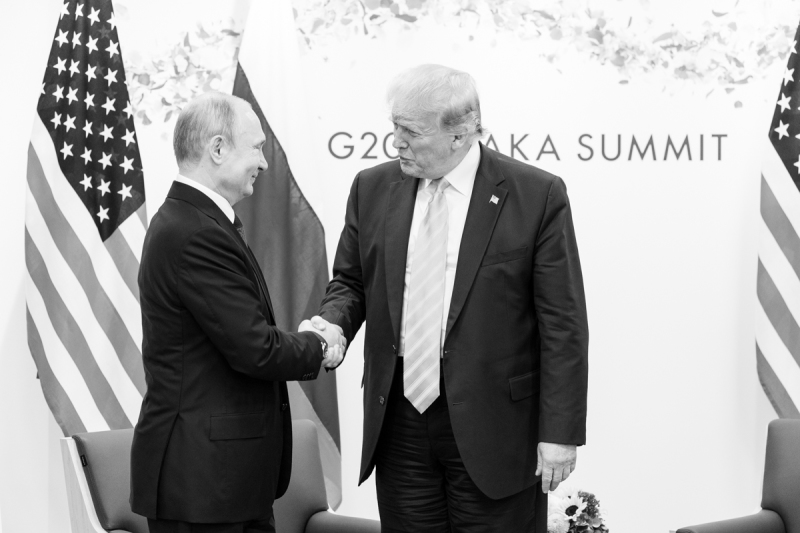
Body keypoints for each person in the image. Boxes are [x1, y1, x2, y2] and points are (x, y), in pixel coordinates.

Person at [309, 64, 589, 531]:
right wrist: (333, 322)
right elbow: (351, 282)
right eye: (394, 127)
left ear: (460, 134)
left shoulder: (536, 194)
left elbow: (562, 322)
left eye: (411, 132)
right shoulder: (372, 187)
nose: (396, 142)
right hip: (399, 421)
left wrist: (560, 432)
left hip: (496, 426)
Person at [130, 92, 344, 533]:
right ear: (217, 148)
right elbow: (255, 349)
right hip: (205, 486)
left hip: (223, 483)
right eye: (257, 148)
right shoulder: (196, 233)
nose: (263, 163)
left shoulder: (197, 222)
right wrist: (320, 345)